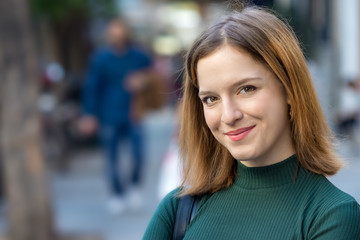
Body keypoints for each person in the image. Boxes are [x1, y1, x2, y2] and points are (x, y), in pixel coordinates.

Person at [143, 5, 360, 239]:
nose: (228, 115)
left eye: (247, 89)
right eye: (211, 99)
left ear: (289, 89)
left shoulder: (332, 215)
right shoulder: (178, 211)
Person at [79, 19, 152, 213]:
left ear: (126, 33)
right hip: (109, 114)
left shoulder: (139, 56)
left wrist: (142, 80)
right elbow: (92, 88)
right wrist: (89, 114)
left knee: (138, 154)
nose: (117, 36)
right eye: (113, 32)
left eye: (120, 32)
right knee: (111, 158)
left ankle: (135, 187)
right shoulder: (100, 58)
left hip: (133, 114)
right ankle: (117, 194)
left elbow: (154, 77)